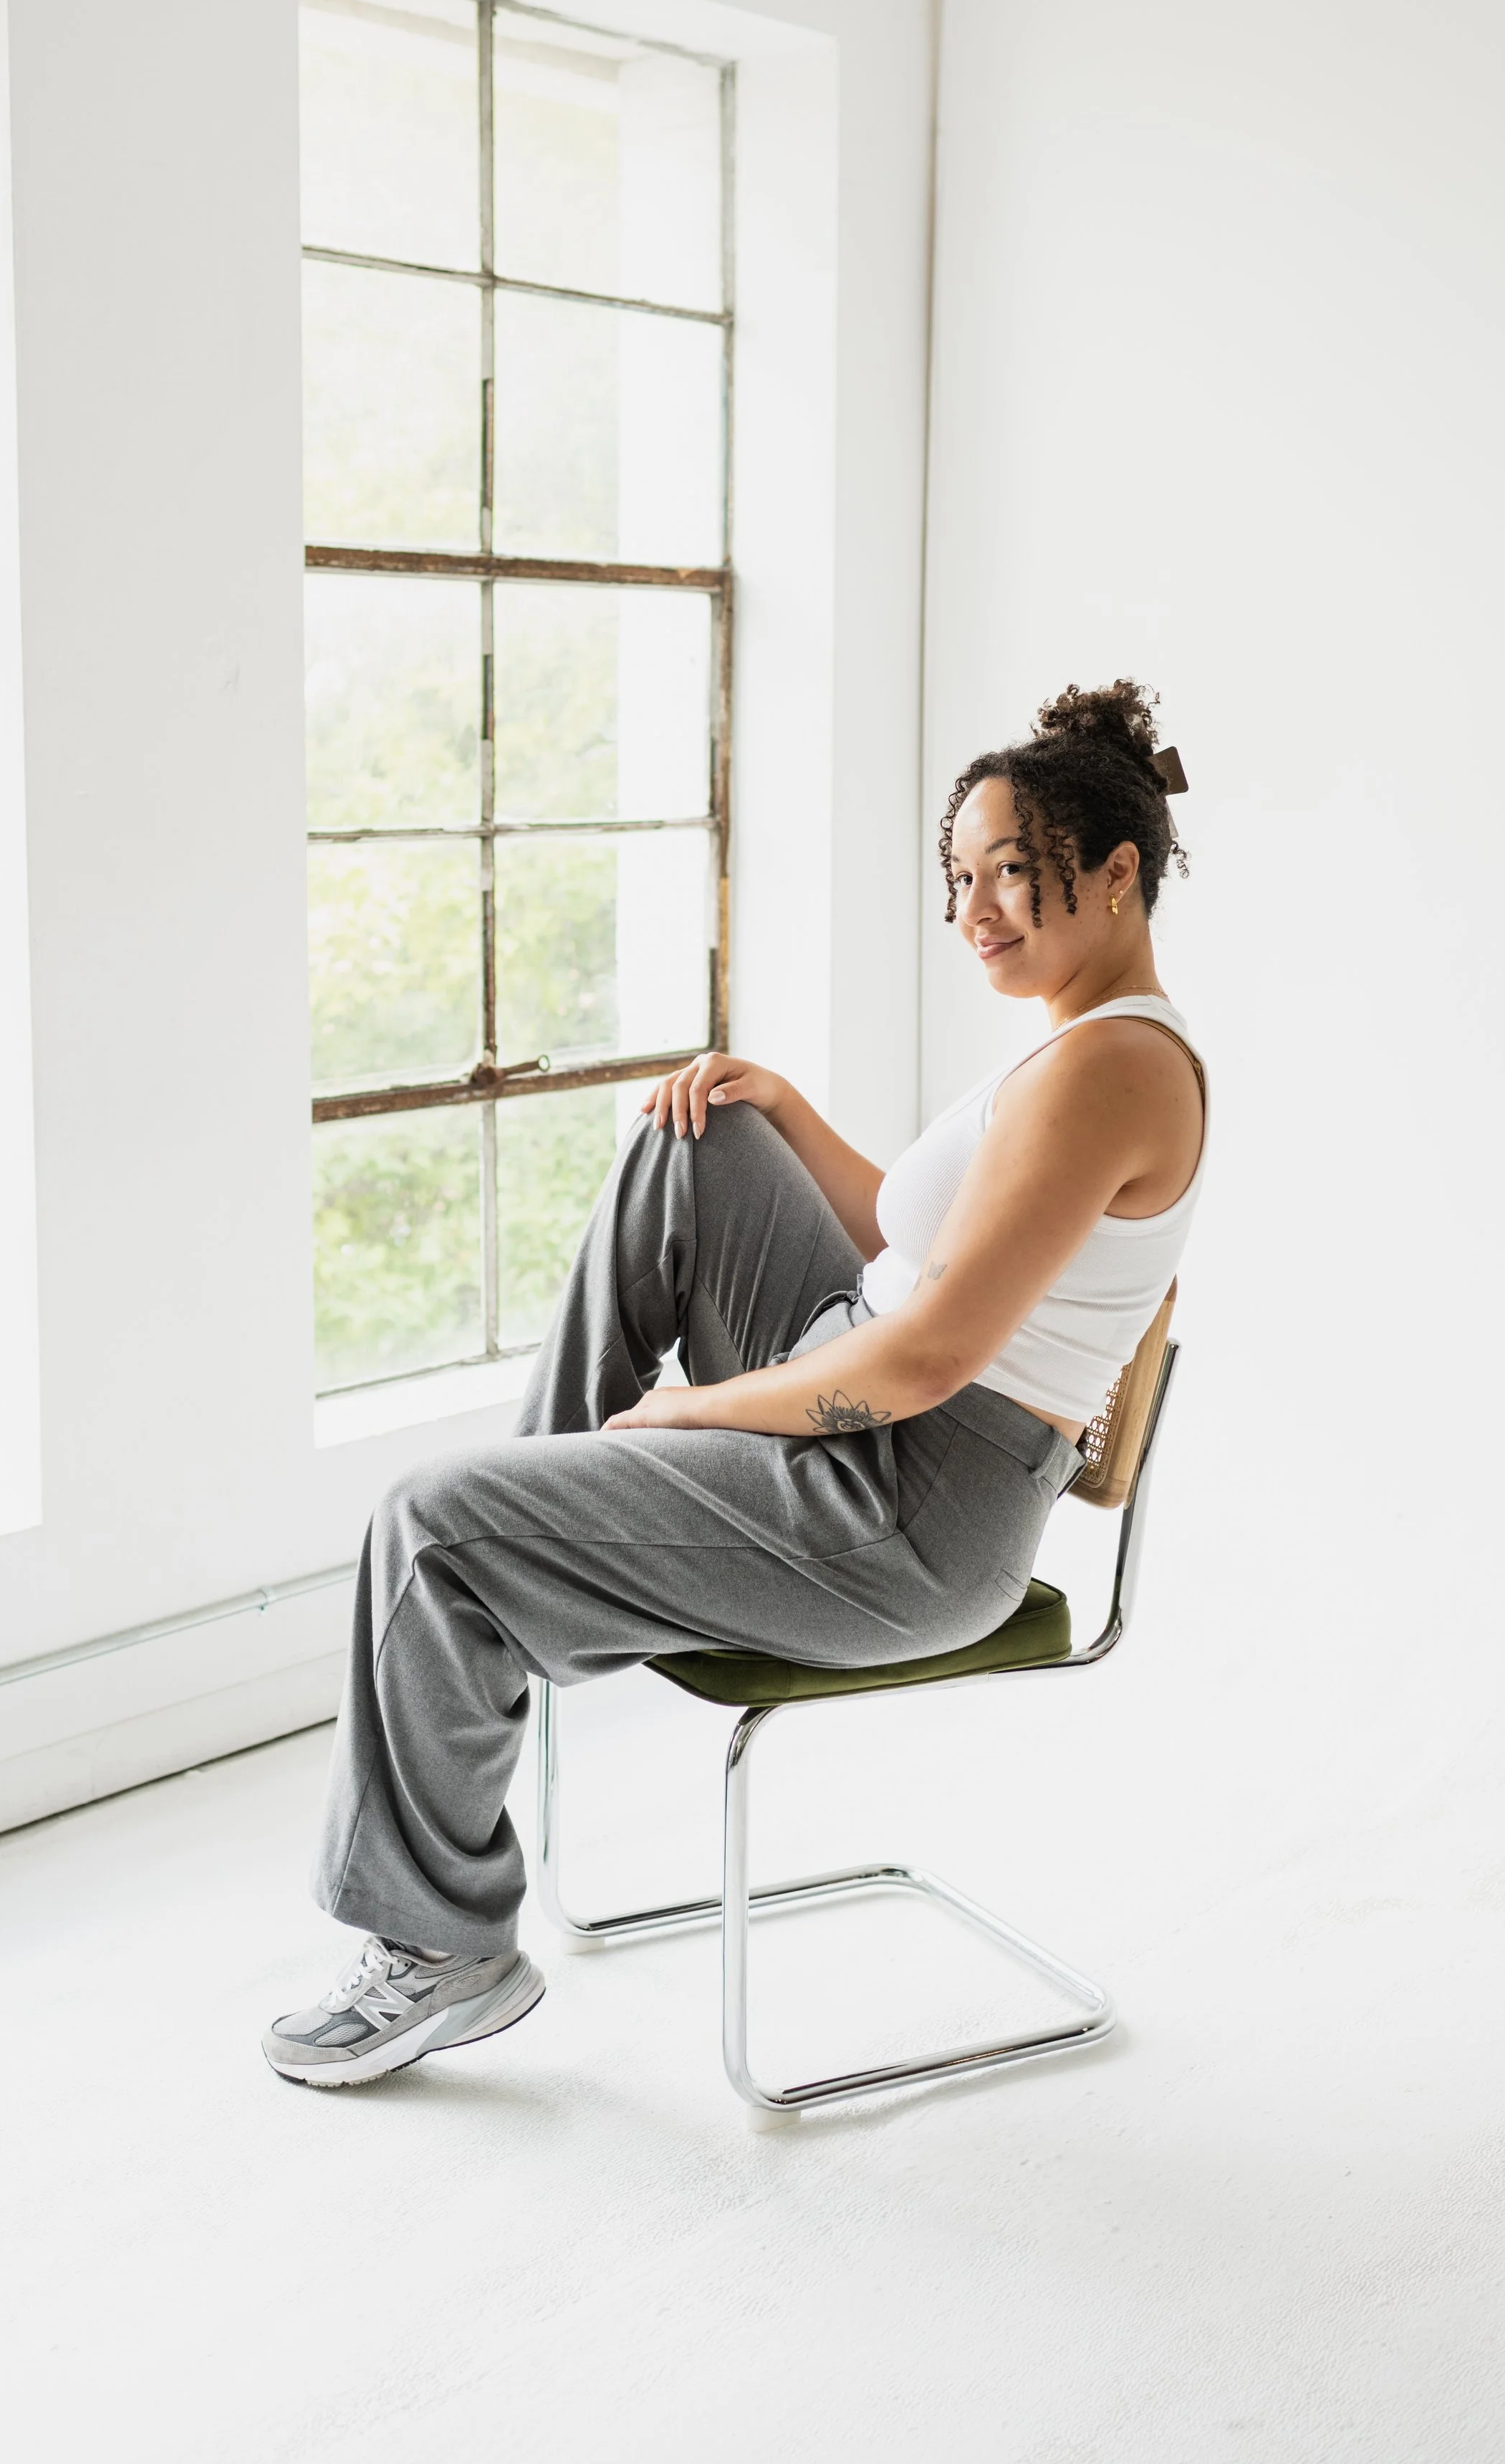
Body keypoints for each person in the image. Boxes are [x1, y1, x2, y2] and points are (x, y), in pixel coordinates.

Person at [264, 679, 1208, 2089]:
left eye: (1007, 872)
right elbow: (916, 1245)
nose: (971, 913)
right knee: (691, 1141)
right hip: (864, 1396)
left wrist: (690, 1409)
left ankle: (439, 1938)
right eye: (957, 879)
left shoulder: (1115, 1067)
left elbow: (930, 1356)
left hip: (905, 1509)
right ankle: (531, 1562)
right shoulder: (1082, 1041)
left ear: (1115, 871)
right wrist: (782, 1106)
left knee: (427, 1520)